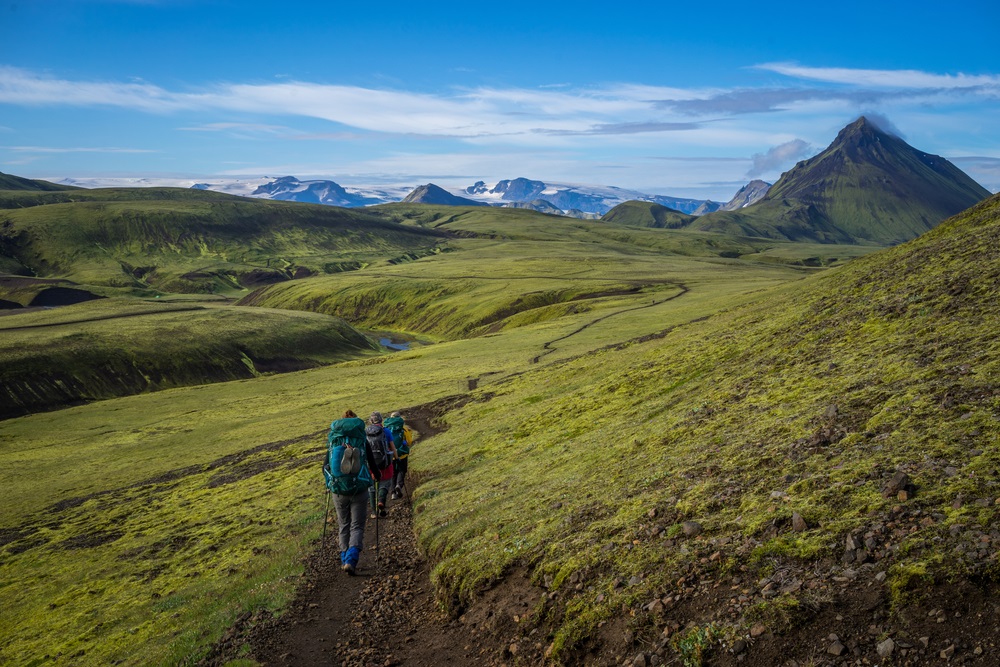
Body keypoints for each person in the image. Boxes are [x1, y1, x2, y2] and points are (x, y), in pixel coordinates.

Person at [327, 409, 372, 575]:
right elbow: (371, 462)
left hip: (338, 489)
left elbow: (326, 466)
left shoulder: (334, 440)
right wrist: (376, 475)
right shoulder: (361, 439)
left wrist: (329, 484)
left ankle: (344, 557)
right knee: (357, 525)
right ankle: (352, 558)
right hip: (359, 488)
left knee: (343, 524)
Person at [366, 411, 398, 518]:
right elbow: (392, 447)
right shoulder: (386, 431)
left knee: (371, 487)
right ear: (381, 420)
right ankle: (381, 501)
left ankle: (374, 512)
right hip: (384, 464)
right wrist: (396, 458)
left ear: (371, 421)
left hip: (370, 465)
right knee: (384, 483)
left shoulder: (365, 432)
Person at [383, 411, 411, 500]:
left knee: (393, 473)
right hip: (402, 454)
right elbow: (409, 441)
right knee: (402, 470)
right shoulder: (403, 428)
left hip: (390, 455)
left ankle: (393, 493)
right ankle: (399, 485)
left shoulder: (386, 429)